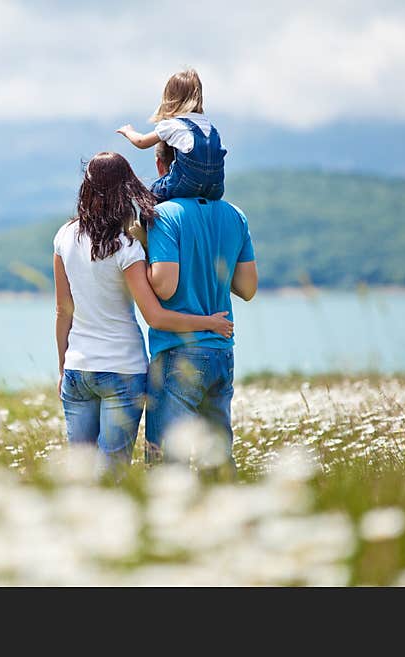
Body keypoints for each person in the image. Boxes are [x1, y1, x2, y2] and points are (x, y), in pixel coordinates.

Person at [53, 151, 233, 476]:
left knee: (78, 474)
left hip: (78, 370)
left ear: (87, 187)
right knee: (112, 475)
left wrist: (62, 367)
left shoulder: (64, 236)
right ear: (125, 189)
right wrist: (209, 323)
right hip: (122, 370)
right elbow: (156, 316)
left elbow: (63, 310)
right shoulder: (127, 247)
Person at [144, 160, 258, 476]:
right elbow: (247, 289)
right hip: (222, 348)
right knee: (217, 457)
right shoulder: (235, 215)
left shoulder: (164, 215)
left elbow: (165, 286)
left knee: (168, 461)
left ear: (161, 164)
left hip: (178, 350)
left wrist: (143, 251)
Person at [116, 68, 226, 202]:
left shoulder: (173, 124)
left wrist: (128, 132)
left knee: (153, 193)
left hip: (187, 184)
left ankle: (146, 222)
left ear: (169, 99)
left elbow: (141, 142)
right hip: (215, 187)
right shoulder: (210, 127)